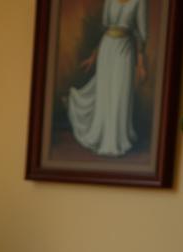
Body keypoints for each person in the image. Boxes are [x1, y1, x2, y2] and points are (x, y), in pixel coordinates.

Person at [68, 0, 148, 157]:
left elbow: (141, 34)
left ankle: (117, 140)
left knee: (120, 93)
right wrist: (93, 56)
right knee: (104, 93)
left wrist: (140, 64)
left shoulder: (140, 2)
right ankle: (102, 136)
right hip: (107, 48)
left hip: (125, 49)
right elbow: (106, 29)